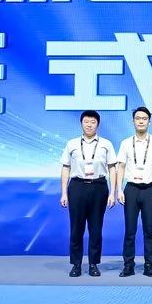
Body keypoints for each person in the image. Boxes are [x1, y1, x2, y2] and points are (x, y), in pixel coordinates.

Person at [59, 110, 117, 278]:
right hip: (77, 186)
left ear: (97, 124)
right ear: (81, 123)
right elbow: (65, 168)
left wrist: (112, 193)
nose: (89, 125)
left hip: (99, 187)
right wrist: (64, 193)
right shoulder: (72, 144)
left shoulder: (106, 144)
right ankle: (76, 264)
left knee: (96, 228)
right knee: (76, 228)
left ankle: (93, 264)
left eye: (93, 122)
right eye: (86, 122)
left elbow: (112, 168)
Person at [115, 105, 152, 277]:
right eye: (138, 118)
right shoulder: (125, 143)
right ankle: (128, 266)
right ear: (133, 121)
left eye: (144, 119)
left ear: (149, 122)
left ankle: (149, 266)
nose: (141, 121)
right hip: (130, 189)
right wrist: (119, 189)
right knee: (130, 230)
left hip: (149, 190)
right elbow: (121, 166)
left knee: (149, 230)